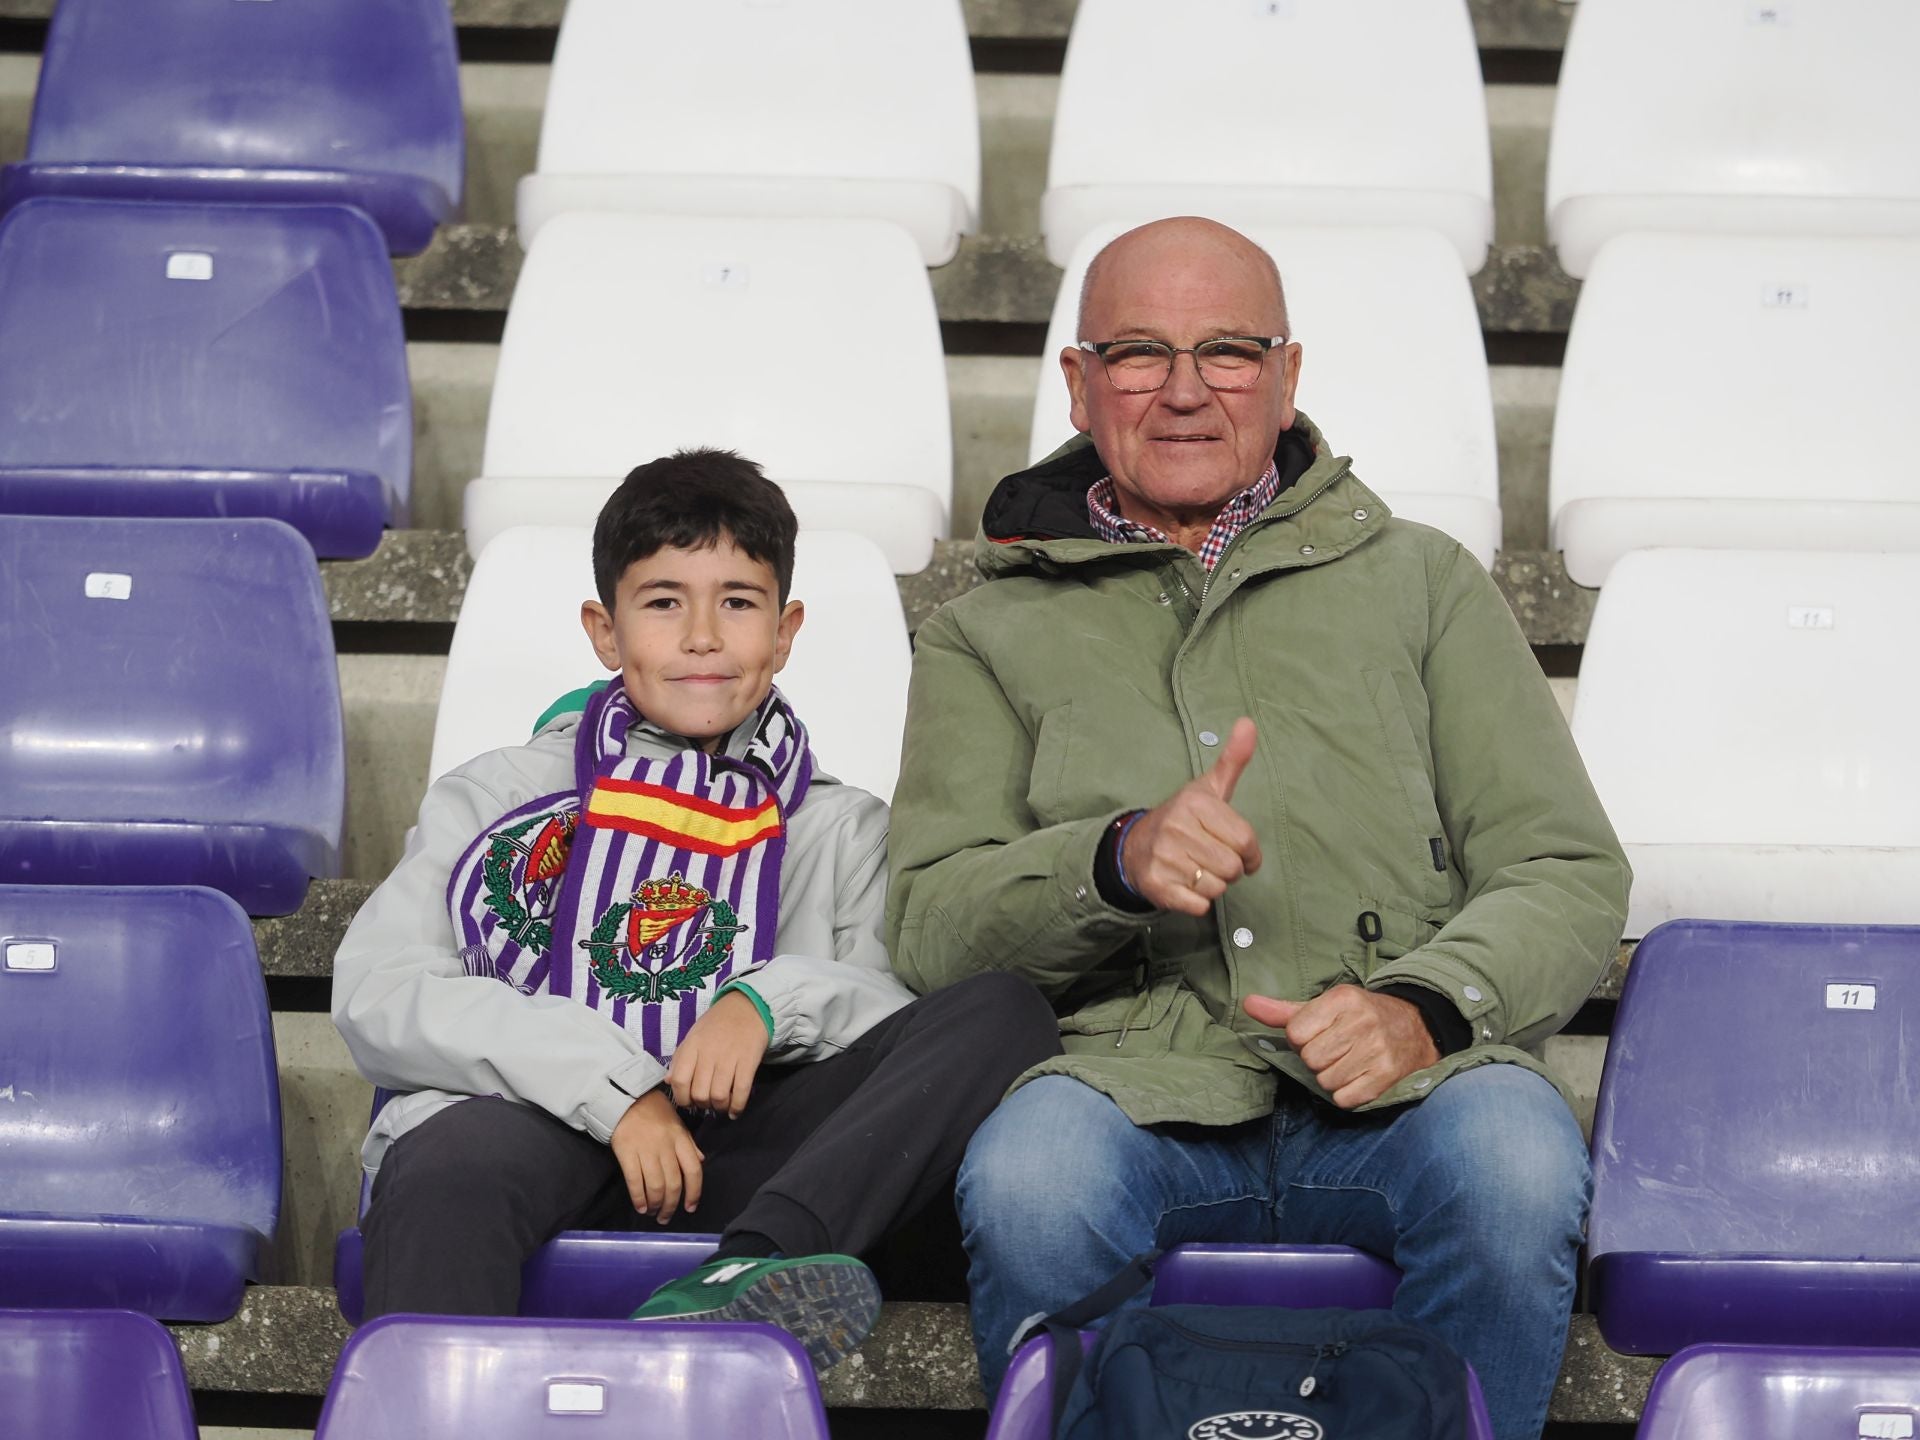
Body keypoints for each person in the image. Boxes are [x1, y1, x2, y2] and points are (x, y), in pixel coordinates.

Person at [885, 218, 1630, 1440]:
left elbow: (1563, 866)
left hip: (1408, 1094)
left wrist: (1425, 1007)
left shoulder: (1425, 582)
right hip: (1128, 1090)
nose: (1183, 391)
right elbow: (926, 927)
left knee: (1517, 1163)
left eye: (1226, 352)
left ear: (1287, 379)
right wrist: (1110, 862)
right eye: (1139, 354)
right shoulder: (982, 632)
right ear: (1079, 384)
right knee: (1029, 1178)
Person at [333, 448, 1059, 1369]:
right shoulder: (496, 795)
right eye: (664, 601)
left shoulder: (840, 827)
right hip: (535, 1122)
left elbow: (893, 1009)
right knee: (444, 1162)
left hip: (756, 1159)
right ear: (605, 629)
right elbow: (380, 989)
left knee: (1005, 1010)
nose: (704, 636)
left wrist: (764, 1003)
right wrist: (617, 1087)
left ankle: (754, 1276)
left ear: (786, 630)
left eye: (740, 602)